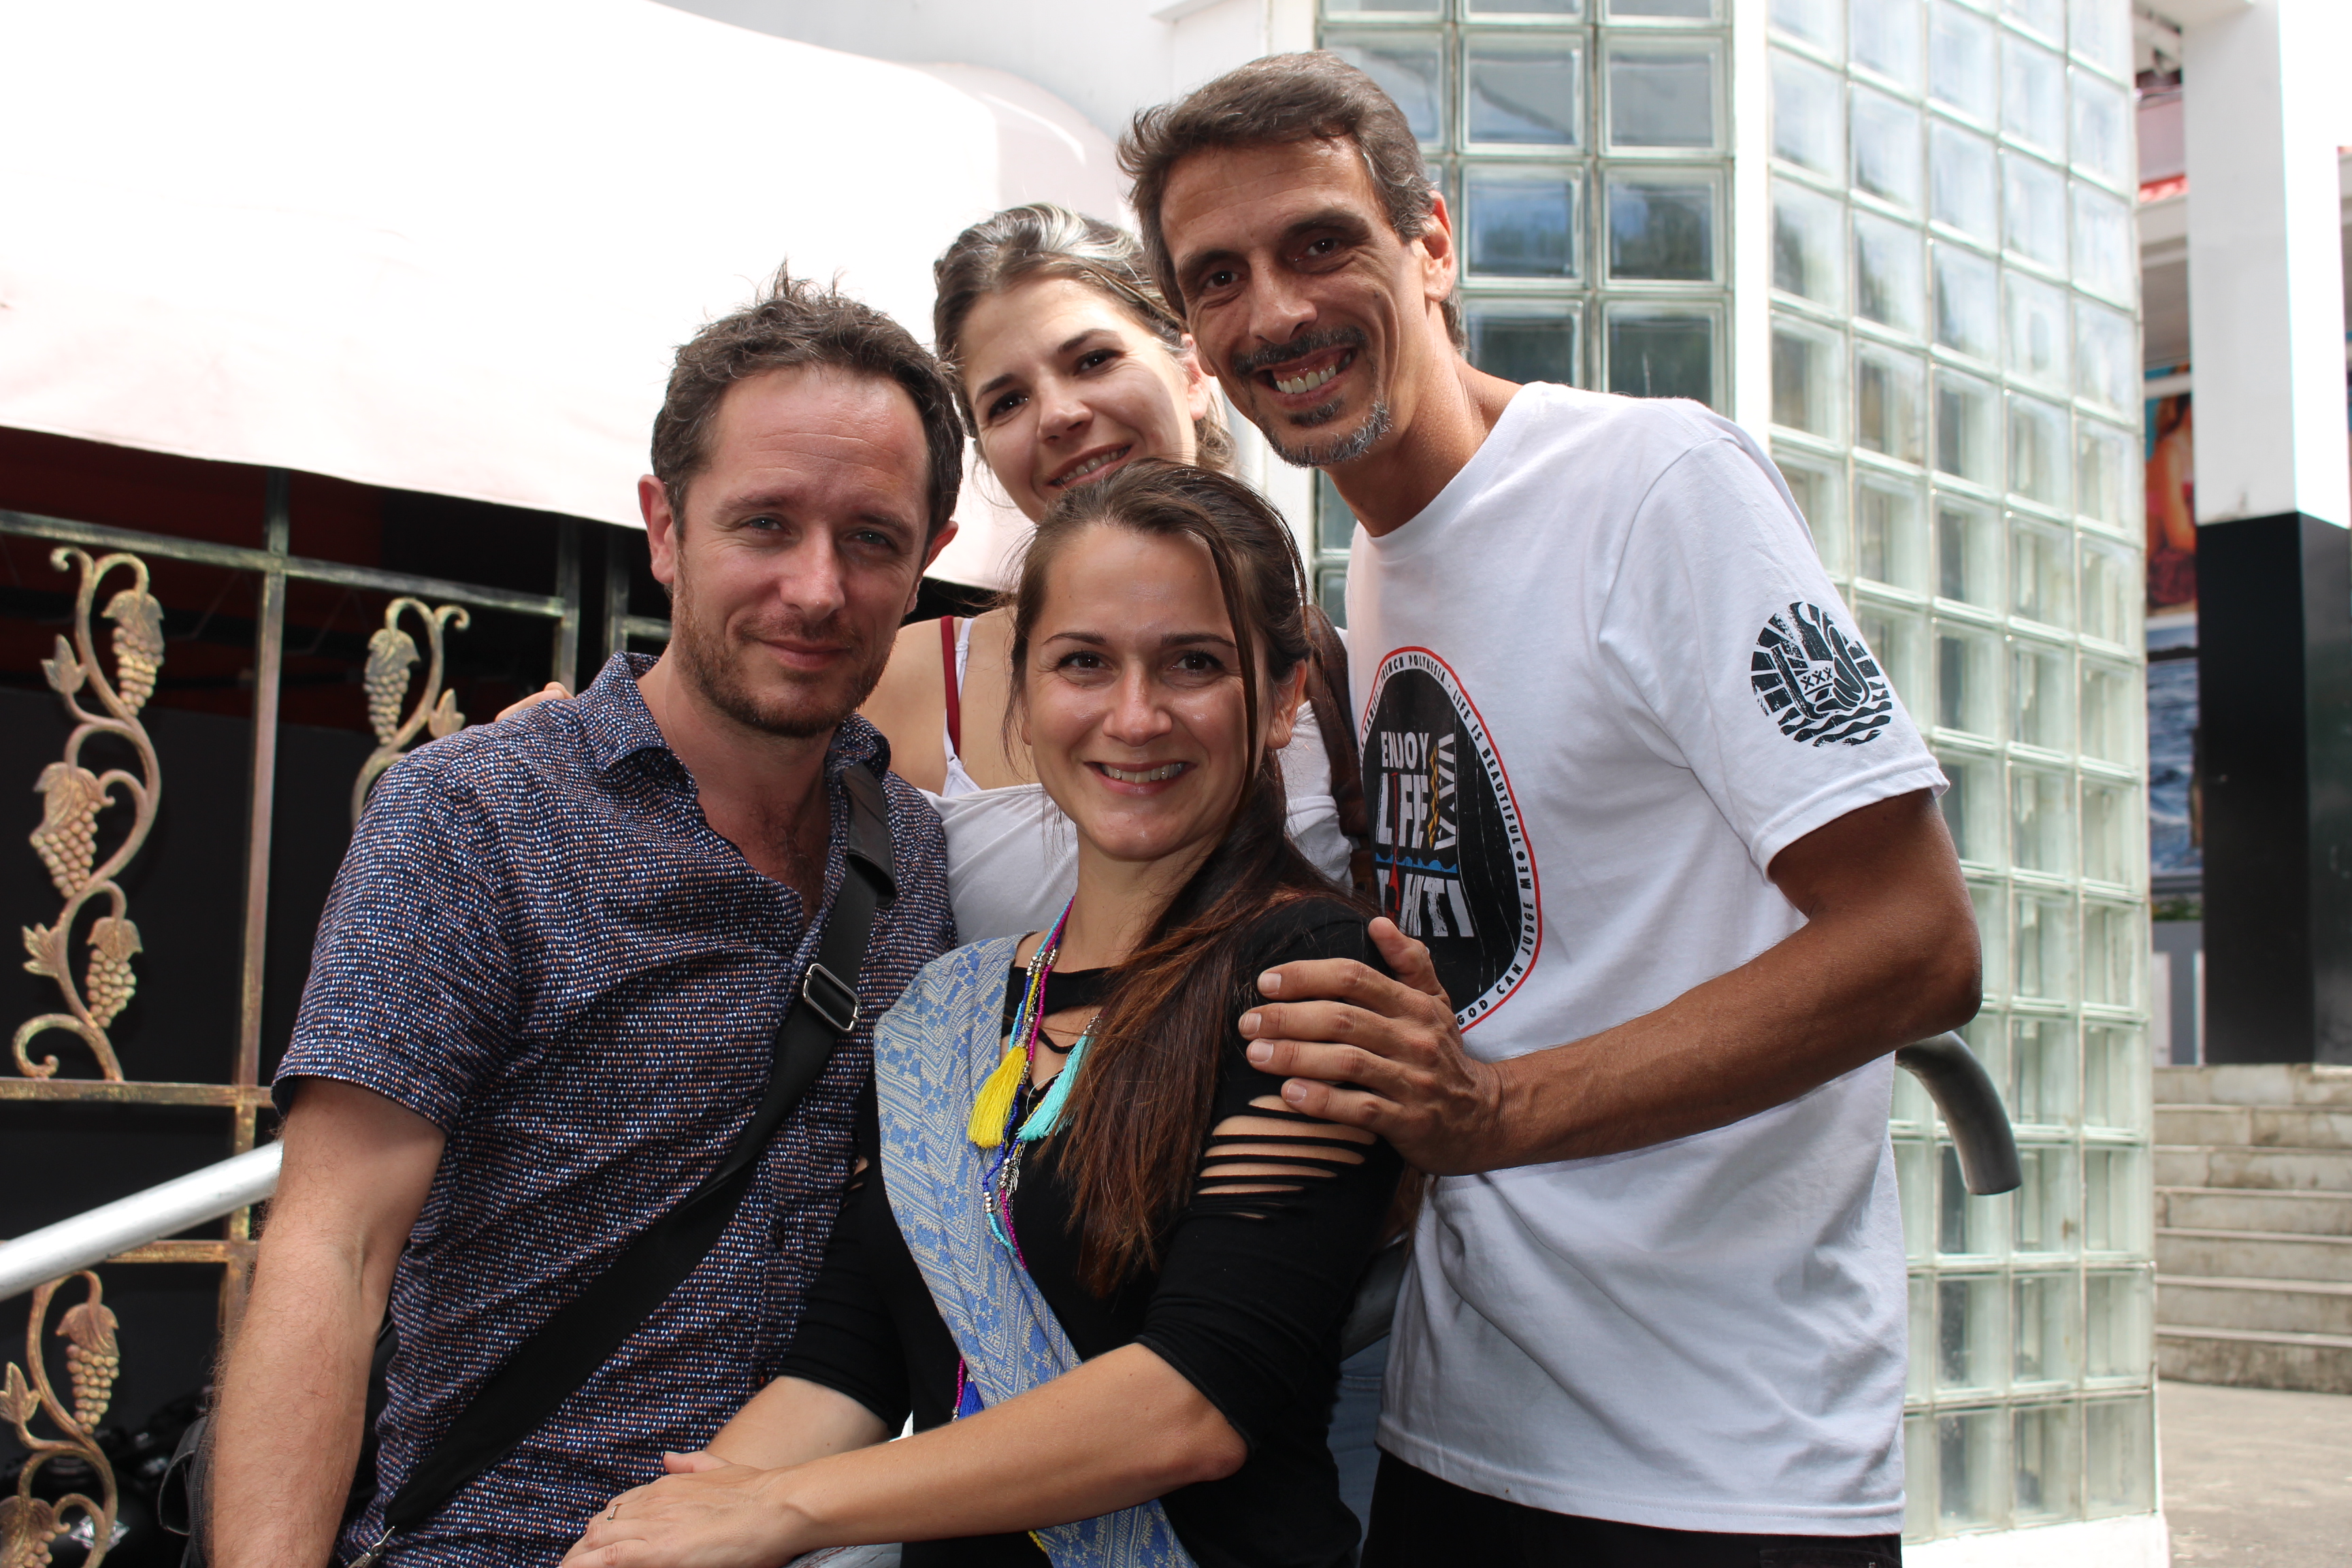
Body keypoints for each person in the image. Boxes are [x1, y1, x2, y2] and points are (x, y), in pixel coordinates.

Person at [1119, 55, 1982, 1565]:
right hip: (1465, 1424)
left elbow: (1919, 944)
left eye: (1323, 242)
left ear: (1432, 245)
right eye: (1218, 276)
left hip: (1716, 1463)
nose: (1275, 312)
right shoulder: (1369, 573)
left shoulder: (1654, 484)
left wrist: (1492, 1113)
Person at [206, 272, 964, 1568]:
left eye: (873, 539)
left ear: (929, 559)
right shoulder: (481, 813)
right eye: (764, 523)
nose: (817, 587)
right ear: (664, 528)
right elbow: (333, 1248)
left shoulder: (918, 854)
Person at [564, 461, 1404, 1568]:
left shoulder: (1309, 980)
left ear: (1285, 693)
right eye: (1083, 662)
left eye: (1194, 662)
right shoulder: (950, 1015)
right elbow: (845, 1361)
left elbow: (1192, 1401)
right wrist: (653, 1528)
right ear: (1022, 690)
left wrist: (786, 1510)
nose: (1134, 714)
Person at [859, 202, 1360, 941]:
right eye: (1008, 401)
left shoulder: (1353, 666)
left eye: (1092, 360)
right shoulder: (906, 680)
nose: (1058, 415)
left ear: (1193, 372)